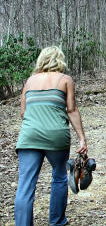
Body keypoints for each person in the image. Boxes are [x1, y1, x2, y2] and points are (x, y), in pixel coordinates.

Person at [14, 46, 88, 226]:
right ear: (60, 60)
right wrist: (82, 138)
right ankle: (57, 221)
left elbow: (23, 113)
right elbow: (71, 110)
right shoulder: (65, 79)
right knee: (60, 176)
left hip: (29, 136)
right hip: (56, 135)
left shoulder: (30, 82)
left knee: (25, 186)